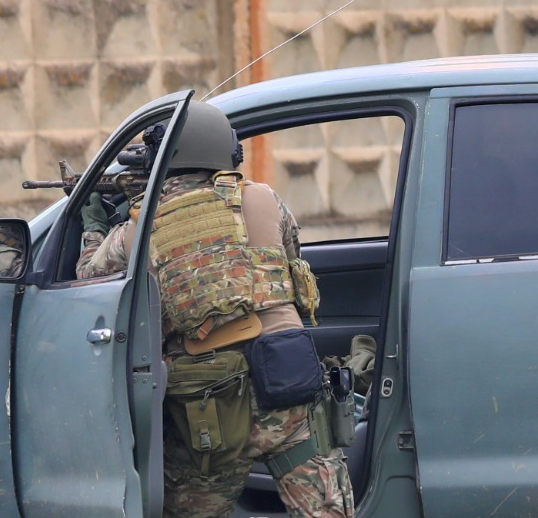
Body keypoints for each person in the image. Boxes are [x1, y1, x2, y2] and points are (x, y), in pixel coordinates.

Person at [78, 101, 354, 518]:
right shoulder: (264, 198)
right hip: (288, 381)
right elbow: (292, 260)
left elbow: (88, 278)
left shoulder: (138, 229)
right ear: (228, 151)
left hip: (210, 404)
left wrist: (94, 226)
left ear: (160, 158)